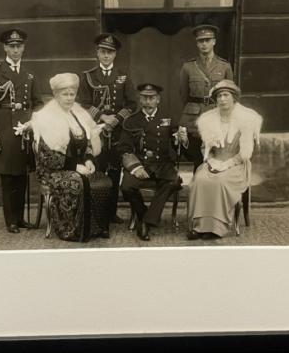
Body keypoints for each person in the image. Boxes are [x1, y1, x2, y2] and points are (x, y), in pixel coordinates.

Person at [31, 73, 112, 242]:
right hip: (53, 170)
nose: (69, 98)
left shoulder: (80, 114)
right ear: (56, 95)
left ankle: (96, 227)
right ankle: (73, 229)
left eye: (72, 94)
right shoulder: (46, 117)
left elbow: (89, 140)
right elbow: (48, 156)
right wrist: (75, 166)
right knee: (76, 182)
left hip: (78, 165)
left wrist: (89, 159)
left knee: (103, 180)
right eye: (65, 94)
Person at [0, 28, 43, 234]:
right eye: (12, 46)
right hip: (5, 130)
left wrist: (33, 122)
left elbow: (38, 103)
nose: (16, 50)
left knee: (22, 176)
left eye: (19, 46)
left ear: (24, 48)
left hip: (24, 132)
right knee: (8, 178)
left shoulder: (29, 75)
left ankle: (20, 218)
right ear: (5, 48)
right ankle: (11, 221)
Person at [187, 80, 262, 240]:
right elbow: (204, 149)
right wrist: (211, 160)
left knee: (219, 182)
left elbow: (246, 153)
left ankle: (215, 228)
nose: (222, 99)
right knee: (200, 179)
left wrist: (227, 164)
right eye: (219, 96)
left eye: (226, 95)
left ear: (233, 98)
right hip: (214, 162)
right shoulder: (208, 120)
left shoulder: (246, 119)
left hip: (236, 165)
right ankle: (198, 227)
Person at [78, 33, 137, 224]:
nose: (106, 56)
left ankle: (111, 212)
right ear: (97, 53)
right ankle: (96, 211)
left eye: (110, 52)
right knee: (96, 168)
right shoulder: (88, 76)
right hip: (95, 131)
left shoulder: (123, 77)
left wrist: (116, 119)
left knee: (114, 170)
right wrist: (103, 117)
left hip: (117, 131)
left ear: (115, 55)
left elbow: (132, 104)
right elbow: (83, 104)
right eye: (103, 51)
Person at [118, 83, 188, 241]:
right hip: (140, 164)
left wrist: (180, 139)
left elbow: (177, 145)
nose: (148, 101)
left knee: (173, 182)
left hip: (163, 164)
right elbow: (124, 148)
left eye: (152, 98)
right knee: (126, 187)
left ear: (158, 99)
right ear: (140, 99)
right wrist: (135, 168)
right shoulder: (131, 121)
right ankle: (146, 216)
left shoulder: (168, 119)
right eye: (144, 98)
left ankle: (145, 222)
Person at [179, 24, 234, 169]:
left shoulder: (224, 66)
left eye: (207, 40)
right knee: (197, 156)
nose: (204, 44)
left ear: (214, 41)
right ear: (197, 44)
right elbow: (184, 94)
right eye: (200, 41)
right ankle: (199, 188)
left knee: (218, 156)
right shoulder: (188, 67)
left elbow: (230, 94)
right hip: (194, 117)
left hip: (217, 115)